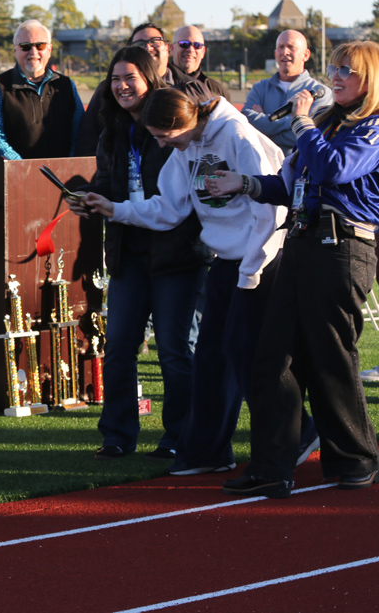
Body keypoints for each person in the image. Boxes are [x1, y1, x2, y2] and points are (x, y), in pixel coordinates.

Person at [81, 89, 290, 476]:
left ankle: (295, 438)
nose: (162, 143)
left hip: (262, 261)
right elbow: (169, 207)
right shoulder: (184, 149)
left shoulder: (238, 136)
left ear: (186, 121)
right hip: (228, 263)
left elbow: (272, 207)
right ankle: (207, 452)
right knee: (211, 360)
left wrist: (251, 270)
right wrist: (116, 209)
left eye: (164, 135)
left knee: (251, 361)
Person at [213, 41, 379, 498]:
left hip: (343, 249)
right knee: (273, 357)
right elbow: (292, 184)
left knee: (330, 357)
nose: (336, 76)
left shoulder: (371, 127)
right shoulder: (327, 123)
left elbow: (332, 167)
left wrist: (304, 120)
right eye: (335, 67)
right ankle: (271, 464)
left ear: (370, 80)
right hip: (301, 244)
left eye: (348, 70)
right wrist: (244, 183)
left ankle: (356, 458)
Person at [67, 47, 208, 461]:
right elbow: (110, 183)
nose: (122, 86)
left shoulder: (171, 124)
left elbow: (177, 202)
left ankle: (180, 435)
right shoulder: (111, 129)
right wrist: (91, 198)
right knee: (119, 346)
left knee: (173, 349)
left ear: (150, 79)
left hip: (176, 254)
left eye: (131, 77)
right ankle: (117, 434)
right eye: (115, 79)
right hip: (128, 251)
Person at [75, 22, 216, 157]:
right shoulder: (108, 92)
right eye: (140, 44)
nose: (148, 47)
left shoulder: (191, 88)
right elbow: (89, 141)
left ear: (168, 48)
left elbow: (213, 131)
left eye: (154, 41)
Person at [0, 20, 83, 160]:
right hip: (15, 177)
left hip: (63, 177)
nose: (33, 52)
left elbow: (80, 134)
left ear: (49, 49)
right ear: (15, 50)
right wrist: (25, 169)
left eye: (40, 45)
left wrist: (67, 166)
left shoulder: (66, 85)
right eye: (25, 46)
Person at [243, 30, 332, 155]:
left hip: (299, 171)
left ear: (306, 55)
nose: (285, 52)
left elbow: (306, 136)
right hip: (262, 169)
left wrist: (265, 124)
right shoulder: (259, 88)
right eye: (281, 47)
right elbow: (246, 123)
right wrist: (295, 120)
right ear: (275, 54)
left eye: (291, 47)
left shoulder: (321, 93)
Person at [171, 25, 229, 100]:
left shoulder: (216, 91)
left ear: (203, 52)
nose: (190, 49)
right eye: (184, 44)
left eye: (197, 45)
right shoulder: (160, 84)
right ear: (172, 48)